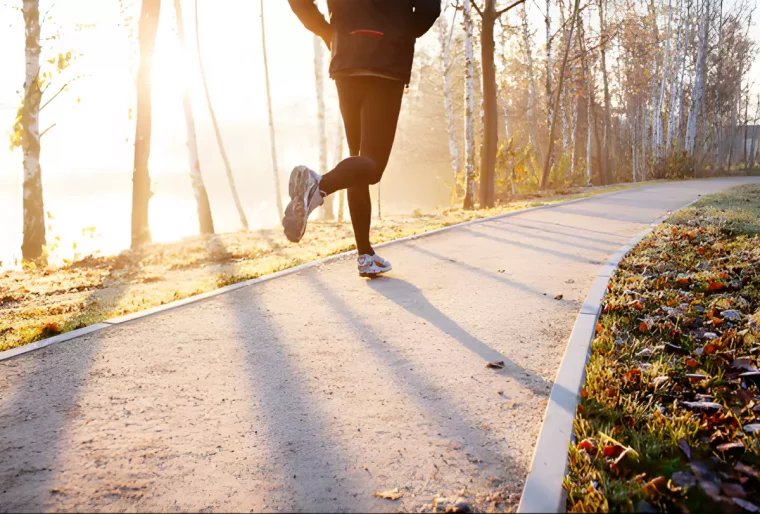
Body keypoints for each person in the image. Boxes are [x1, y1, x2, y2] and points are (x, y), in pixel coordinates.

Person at [285, 0, 441, 277]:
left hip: (346, 59)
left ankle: (365, 254)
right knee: (371, 165)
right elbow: (429, 9)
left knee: (357, 158)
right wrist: (400, 33)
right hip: (386, 62)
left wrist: (327, 32)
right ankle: (319, 186)